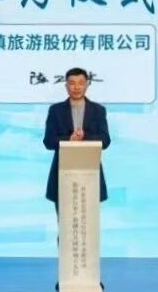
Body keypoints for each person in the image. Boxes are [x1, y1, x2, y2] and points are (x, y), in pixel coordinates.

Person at [43, 67, 110, 210]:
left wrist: (84, 137)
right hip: (62, 171)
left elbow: (105, 140)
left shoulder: (98, 110)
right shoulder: (55, 110)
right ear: (66, 86)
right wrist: (69, 139)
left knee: (87, 220)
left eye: (81, 83)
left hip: (90, 171)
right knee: (65, 221)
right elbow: (48, 141)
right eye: (72, 83)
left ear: (87, 85)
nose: (76, 87)